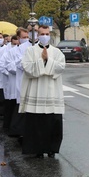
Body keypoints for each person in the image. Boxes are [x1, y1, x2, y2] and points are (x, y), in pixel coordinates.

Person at [19, 25, 66, 158]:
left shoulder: (57, 52)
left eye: (47, 34)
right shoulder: (30, 51)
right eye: (42, 34)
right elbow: (27, 67)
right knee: (36, 123)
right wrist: (41, 61)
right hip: (36, 91)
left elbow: (61, 67)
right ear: (37, 36)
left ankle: (52, 149)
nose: (45, 36)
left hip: (52, 93)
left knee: (53, 122)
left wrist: (48, 60)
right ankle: (37, 149)